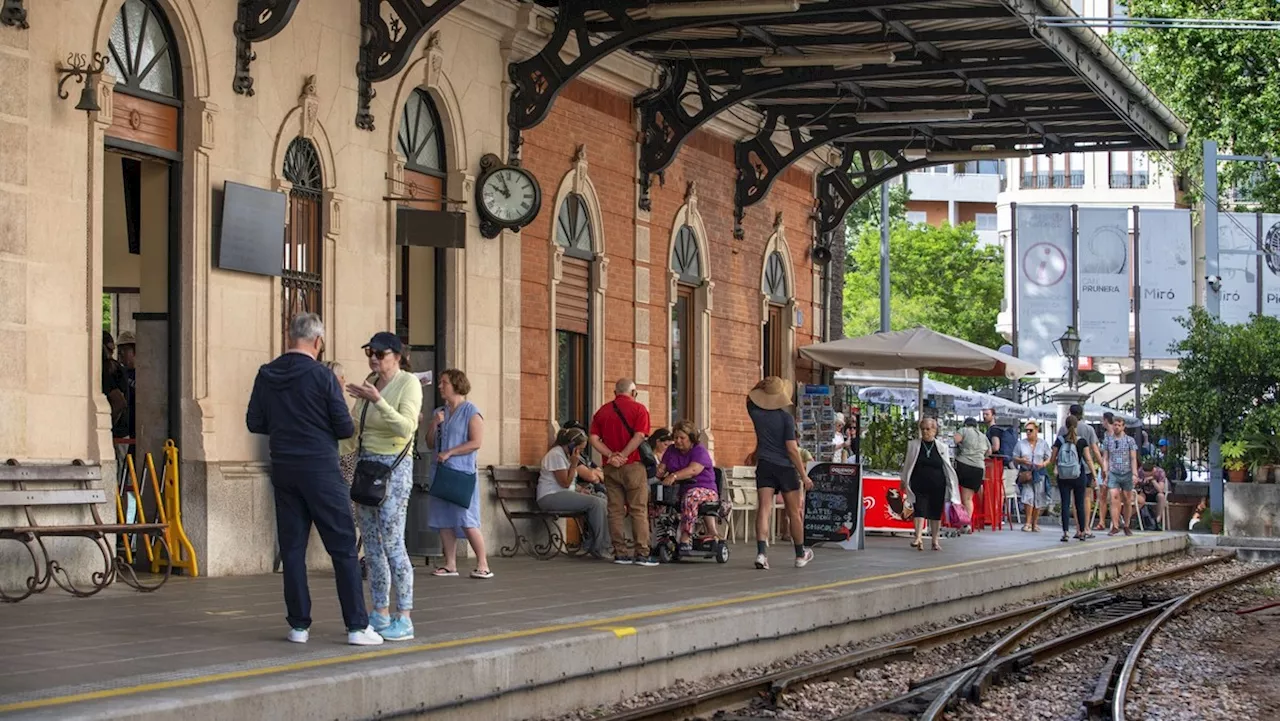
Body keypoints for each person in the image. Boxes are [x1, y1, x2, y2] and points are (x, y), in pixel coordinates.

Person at [245, 313, 382, 646]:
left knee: (292, 549)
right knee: (343, 548)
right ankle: (356, 626)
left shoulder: (267, 373)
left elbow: (254, 422)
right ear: (318, 342)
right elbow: (345, 428)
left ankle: (299, 626)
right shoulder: (322, 376)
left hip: (284, 469)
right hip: (320, 469)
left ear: (289, 336)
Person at [341, 332, 422, 641]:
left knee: (392, 543)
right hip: (366, 467)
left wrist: (378, 400)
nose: (374, 358)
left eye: (380, 353)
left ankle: (405, 615)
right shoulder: (371, 380)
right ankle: (380, 611)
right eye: (370, 352)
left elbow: (406, 427)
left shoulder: (408, 383)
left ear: (397, 356)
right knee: (371, 546)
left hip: (394, 470)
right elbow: (354, 430)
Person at [426, 368, 490, 577]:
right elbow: (429, 443)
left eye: (444, 382)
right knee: (443, 518)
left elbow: (476, 442)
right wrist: (435, 424)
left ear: (456, 384)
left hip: (461, 474)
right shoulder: (439, 412)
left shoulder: (471, 411)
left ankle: (483, 564)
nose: (440, 386)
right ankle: (450, 564)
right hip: (441, 472)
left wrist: (450, 452)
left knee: (466, 518)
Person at [746, 376, 813, 570]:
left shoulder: (756, 413)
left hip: (765, 466)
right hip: (785, 468)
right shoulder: (785, 418)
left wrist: (760, 386)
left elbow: (748, 399)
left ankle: (761, 553)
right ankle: (800, 555)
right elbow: (792, 449)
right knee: (794, 513)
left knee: (764, 509)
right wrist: (803, 474)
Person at [589, 378, 656, 566]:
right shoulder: (639, 409)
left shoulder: (602, 411)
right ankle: (642, 553)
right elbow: (640, 435)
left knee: (615, 510)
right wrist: (625, 455)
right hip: (633, 464)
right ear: (633, 392)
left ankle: (620, 553)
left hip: (610, 467)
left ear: (615, 392)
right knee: (638, 509)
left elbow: (593, 439)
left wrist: (611, 456)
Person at [536, 427, 611, 558]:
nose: (581, 452)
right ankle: (600, 547)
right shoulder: (556, 455)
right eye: (580, 449)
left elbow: (570, 484)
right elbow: (564, 483)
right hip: (550, 497)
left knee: (602, 500)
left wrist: (581, 490)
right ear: (571, 445)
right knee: (595, 503)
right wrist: (574, 464)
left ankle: (596, 543)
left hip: (562, 494)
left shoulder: (565, 455)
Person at [656, 420, 720, 554]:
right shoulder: (671, 450)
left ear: (691, 438)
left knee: (691, 497)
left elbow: (693, 470)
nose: (678, 441)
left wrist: (673, 476)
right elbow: (662, 467)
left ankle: (686, 537)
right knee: (656, 497)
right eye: (675, 437)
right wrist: (659, 472)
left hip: (704, 489)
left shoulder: (699, 451)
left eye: (682, 438)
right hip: (679, 490)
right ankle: (659, 537)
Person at [901, 417, 961, 552]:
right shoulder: (914, 445)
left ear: (934, 430)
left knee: (935, 512)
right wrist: (904, 480)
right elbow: (907, 463)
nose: (925, 432)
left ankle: (935, 541)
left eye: (928, 429)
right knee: (919, 509)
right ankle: (918, 537)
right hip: (919, 482)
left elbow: (947, 466)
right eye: (923, 429)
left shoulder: (942, 447)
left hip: (938, 484)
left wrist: (951, 485)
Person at [1057, 404, 1102, 533]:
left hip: (1065, 471)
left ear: (1069, 413)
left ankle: (1071, 530)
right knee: (1084, 499)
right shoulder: (1088, 429)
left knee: (1068, 501)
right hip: (1083, 470)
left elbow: (1056, 452)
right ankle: (1084, 528)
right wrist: (1101, 468)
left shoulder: (1062, 430)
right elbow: (1094, 451)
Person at [1051, 416, 1096, 542]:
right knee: (1079, 504)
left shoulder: (1059, 440)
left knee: (1065, 504)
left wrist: (1055, 468)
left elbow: (1053, 458)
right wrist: (1094, 474)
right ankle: (1081, 532)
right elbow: (1088, 459)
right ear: (1076, 425)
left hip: (1063, 476)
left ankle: (1065, 532)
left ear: (1065, 425)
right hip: (1078, 474)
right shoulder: (1081, 441)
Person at [1102, 416, 1140, 536]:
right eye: (1115, 425)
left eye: (1119, 425)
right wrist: (1105, 471)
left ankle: (1127, 525)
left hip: (1127, 472)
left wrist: (1134, 473)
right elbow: (1106, 458)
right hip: (1114, 472)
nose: (1116, 427)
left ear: (1123, 427)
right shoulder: (1108, 440)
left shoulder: (1130, 441)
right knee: (1114, 498)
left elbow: (1133, 458)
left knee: (1127, 499)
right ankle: (1115, 525)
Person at [952, 417, 990, 530]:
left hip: (965, 464)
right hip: (979, 467)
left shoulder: (964, 430)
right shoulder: (983, 436)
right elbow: (989, 451)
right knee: (969, 498)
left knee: (964, 498)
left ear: (966, 424)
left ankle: (965, 523)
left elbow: (955, 440)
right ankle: (966, 522)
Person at [1013, 421, 1052, 532]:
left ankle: (1035, 523)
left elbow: (1049, 457)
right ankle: (1028, 523)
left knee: (1038, 499)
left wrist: (1043, 464)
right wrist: (1021, 460)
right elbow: (1014, 457)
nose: (1028, 432)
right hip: (1027, 473)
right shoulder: (1021, 444)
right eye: (1027, 430)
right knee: (1028, 497)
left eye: (1031, 430)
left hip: (1039, 473)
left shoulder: (1043, 443)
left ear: (1036, 431)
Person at [983, 408, 1019, 500]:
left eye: (987, 414)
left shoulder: (994, 430)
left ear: (993, 416)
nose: (984, 416)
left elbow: (996, 447)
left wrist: (984, 452)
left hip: (996, 463)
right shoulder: (995, 429)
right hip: (1001, 463)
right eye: (984, 414)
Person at [116, 331, 137, 441]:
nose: (121, 354)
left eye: (124, 350)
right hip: (125, 430)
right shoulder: (120, 373)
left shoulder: (145, 375)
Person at [1137, 461, 1168, 531]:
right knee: (1139, 497)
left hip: (1155, 493)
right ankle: (1141, 521)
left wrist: (1153, 481)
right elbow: (1136, 482)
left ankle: (1158, 520)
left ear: (1153, 471)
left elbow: (1161, 490)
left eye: (1148, 475)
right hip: (1144, 493)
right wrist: (1143, 481)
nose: (1146, 476)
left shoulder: (1160, 472)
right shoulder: (1140, 471)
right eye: (1145, 475)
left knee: (1161, 496)